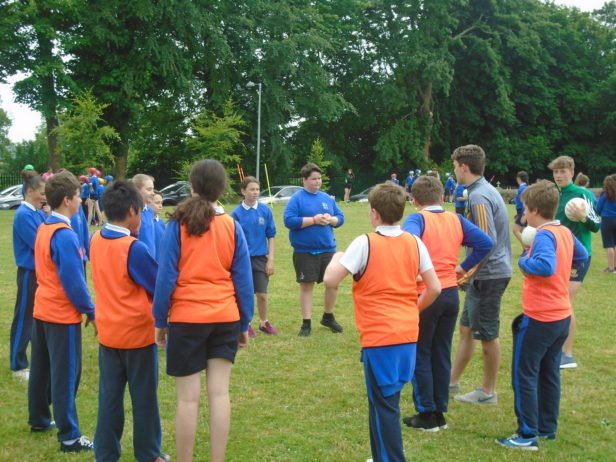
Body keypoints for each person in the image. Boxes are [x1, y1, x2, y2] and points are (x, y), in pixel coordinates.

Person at [323, 183, 441, 462]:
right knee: (382, 401)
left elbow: (330, 280)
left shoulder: (364, 243)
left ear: (374, 213)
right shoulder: (415, 242)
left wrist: (337, 257)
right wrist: (412, 310)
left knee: (386, 405)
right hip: (406, 335)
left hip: (381, 338)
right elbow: (434, 288)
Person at [152, 159, 254, 462]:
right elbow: (244, 281)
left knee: (187, 400)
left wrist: (160, 320)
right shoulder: (231, 225)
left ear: (193, 186)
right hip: (225, 317)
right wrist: (243, 323)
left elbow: (165, 276)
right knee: (219, 394)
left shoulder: (177, 224)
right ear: (222, 188)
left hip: (187, 319)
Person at [496, 180, 588, 451]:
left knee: (524, 373)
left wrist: (524, 260)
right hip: (561, 315)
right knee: (549, 372)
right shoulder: (564, 232)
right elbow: (581, 256)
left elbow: (545, 266)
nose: (523, 214)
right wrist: (564, 272)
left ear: (534, 210)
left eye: (525, 208)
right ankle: (547, 427)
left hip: (541, 317)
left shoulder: (544, 235)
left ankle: (526, 434)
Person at [402, 176, 493, 431]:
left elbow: (407, 244)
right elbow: (486, 243)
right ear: (442, 197)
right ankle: (439, 412)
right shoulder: (455, 219)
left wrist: (417, 272)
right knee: (441, 351)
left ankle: (426, 413)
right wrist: (462, 267)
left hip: (427, 292)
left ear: (414, 200)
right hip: (450, 294)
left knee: (421, 352)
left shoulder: (417, 219)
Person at [90, 180, 168, 462]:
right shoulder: (133, 248)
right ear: (133, 211)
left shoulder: (95, 240)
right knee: (144, 399)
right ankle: (149, 454)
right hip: (137, 337)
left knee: (109, 399)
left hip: (108, 334)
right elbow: (157, 286)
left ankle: (105, 453)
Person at [28, 171, 96, 453]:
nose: (81, 200)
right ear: (67, 200)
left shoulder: (45, 226)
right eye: (78, 195)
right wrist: (90, 309)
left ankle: (39, 418)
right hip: (60, 314)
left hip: (42, 309)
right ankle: (69, 435)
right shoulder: (64, 235)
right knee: (66, 374)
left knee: (41, 369)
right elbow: (73, 280)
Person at [449, 144, 512, 405]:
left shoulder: (479, 196)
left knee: (487, 334)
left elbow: (488, 242)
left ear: (464, 167)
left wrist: (464, 272)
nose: (454, 171)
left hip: (489, 275)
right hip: (483, 274)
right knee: (466, 328)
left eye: (455, 166)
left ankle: (488, 392)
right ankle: (451, 382)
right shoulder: (480, 191)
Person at [548, 156, 600, 368]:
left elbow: (596, 225)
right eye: (556, 172)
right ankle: (555, 349)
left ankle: (567, 355)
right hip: (558, 255)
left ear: (571, 172)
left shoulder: (583, 194)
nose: (559, 175)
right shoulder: (553, 194)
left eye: (563, 171)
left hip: (579, 256)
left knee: (564, 302)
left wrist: (583, 216)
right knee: (554, 301)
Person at [283, 162, 345, 337]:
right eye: (313, 179)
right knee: (306, 286)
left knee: (332, 283)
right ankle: (306, 323)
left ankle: (328, 316)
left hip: (328, 249)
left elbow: (340, 218)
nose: (317, 182)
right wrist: (314, 220)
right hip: (305, 251)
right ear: (304, 180)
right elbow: (289, 221)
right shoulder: (297, 199)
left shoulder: (326, 198)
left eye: (319, 179)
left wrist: (331, 219)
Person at [231, 176, 278, 336]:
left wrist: (270, 259)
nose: (255, 192)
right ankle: (246, 324)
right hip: (242, 260)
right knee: (245, 294)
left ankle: (264, 323)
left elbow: (271, 235)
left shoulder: (265, 211)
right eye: (251, 189)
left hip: (260, 259)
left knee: (262, 294)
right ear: (243, 191)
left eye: (257, 189)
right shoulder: (236, 214)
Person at [10, 175, 47, 381]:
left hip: (39, 272)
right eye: (42, 193)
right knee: (23, 317)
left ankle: (34, 358)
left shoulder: (38, 212)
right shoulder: (24, 214)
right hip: (28, 272)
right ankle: (18, 364)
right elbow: (39, 243)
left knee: (35, 318)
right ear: (30, 191)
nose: (45, 197)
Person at [133, 173, 157, 259]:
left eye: (153, 189)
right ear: (136, 190)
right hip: (138, 259)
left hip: (151, 259)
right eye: (149, 189)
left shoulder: (149, 211)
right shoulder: (131, 213)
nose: (153, 193)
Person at [597, 174, 616, 273]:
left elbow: (598, 208)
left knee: (609, 244)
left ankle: (611, 268)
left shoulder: (605, 195)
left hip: (607, 220)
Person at [512, 171, 529, 249]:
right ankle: (525, 250)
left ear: (518, 178)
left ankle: (527, 248)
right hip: (521, 212)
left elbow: (526, 202)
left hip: (523, 212)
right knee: (522, 231)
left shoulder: (523, 188)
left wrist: (524, 214)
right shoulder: (524, 187)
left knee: (515, 230)